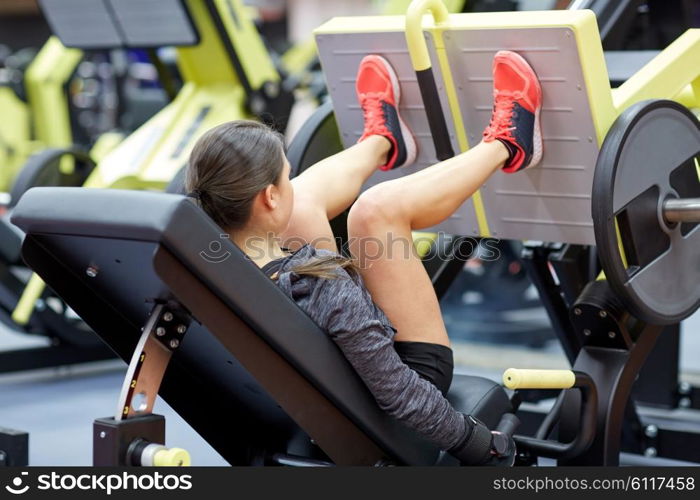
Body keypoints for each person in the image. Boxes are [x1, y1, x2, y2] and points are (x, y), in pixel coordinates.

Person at [185, 50, 542, 465]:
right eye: (285, 180)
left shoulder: (202, 267)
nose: (291, 186)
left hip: (332, 390)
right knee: (377, 210)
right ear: (267, 197)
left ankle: (384, 139)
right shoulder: (321, 286)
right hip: (395, 390)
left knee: (301, 210)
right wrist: (477, 442)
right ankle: (508, 142)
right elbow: (401, 394)